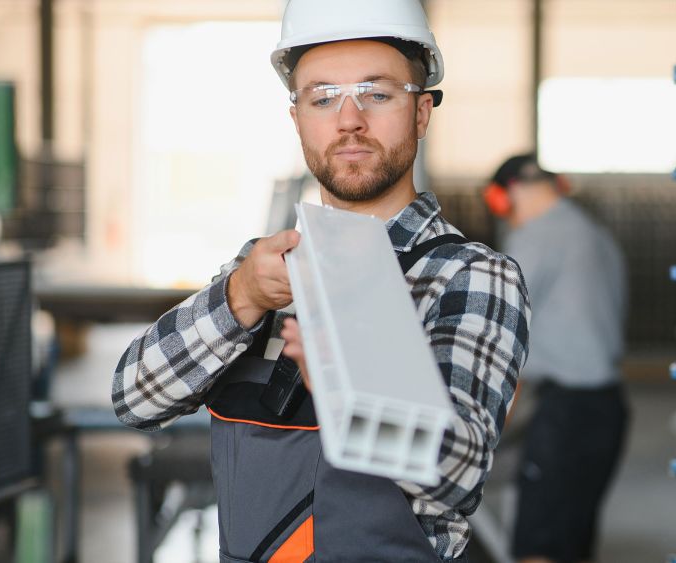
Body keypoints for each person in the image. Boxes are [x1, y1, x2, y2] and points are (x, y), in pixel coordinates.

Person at [111, 2, 531, 561]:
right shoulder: (264, 271)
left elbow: (460, 473)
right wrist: (241, 298)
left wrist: (358, 378)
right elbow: (134, 400)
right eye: (323, 96)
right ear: (297, 118)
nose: (349, 118)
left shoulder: (469, 275)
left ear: (422, 112)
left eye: (377, 94)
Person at [483, 154, 629, 563]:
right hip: (606, 410)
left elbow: (499, 329)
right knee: (571, 541)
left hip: (567, 416)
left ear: (507, 194)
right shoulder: (594, 233)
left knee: (538, 547)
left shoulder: (537, 237)